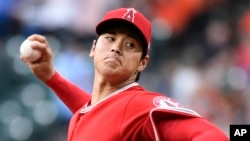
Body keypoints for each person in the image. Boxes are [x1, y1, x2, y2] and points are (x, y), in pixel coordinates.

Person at [20, 7, 229, 141]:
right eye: (110, 38)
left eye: (130, 44)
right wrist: (52, 78)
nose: (116, 48)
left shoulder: (142, 105)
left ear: (143, 63)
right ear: (93, 48)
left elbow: (213, 136)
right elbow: (100, 114)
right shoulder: (88, 113)